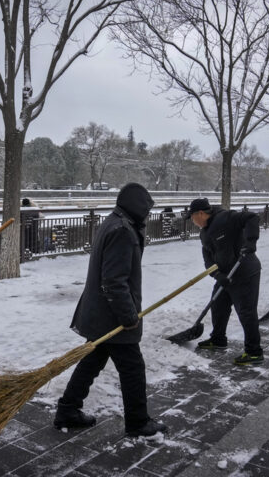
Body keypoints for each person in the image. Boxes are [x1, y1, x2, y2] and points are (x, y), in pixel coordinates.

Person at [53, 183, 167, 438]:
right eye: (146, 209)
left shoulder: (114, 221)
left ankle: (67, 409)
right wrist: (128, 317)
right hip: (112, 315)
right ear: (137, 207)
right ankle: (138, 422)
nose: (148, 214)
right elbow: (114, 281)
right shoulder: (123, 231)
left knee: (92, 360)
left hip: (101, 312)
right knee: (133, 368)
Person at [187, 198, 264, 366]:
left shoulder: (225, 217)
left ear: (200, 213)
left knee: (246, 311)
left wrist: (251, 241)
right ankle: (218, 339)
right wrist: (217, 275)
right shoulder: (204, 233)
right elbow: (208, 260)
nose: (192, 221)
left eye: (192, 217)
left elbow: (252, 217)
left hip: (244, 271)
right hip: (225, 275)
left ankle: (254, 352)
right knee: (218, 306)